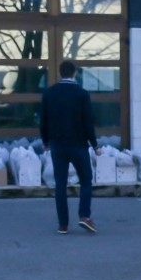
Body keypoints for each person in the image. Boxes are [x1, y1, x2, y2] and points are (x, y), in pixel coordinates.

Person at [39, 60, 98, 235]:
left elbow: (44, 120)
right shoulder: (82, 94)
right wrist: (94, 144)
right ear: (75, 73)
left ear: (60, 73)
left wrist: (46, 141)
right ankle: (84, 216)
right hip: (78, 144)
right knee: (86, 179)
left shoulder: (50, 93)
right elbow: (88, 122)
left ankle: (63, 225)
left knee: (60, 184)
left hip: (58, 145)